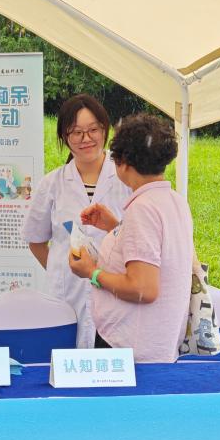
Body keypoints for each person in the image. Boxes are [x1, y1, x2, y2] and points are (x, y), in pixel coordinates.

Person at [68, 113, 193, 363]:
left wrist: (92, 272)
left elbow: (143, 288)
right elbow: (155, 251)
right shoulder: (174, 202)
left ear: (122, 161)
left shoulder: (143, 209)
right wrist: (115, 227)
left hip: (131, 352)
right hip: (156, 344)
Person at [22, 94, 130, 347]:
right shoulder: (52, 183)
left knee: (111, 362)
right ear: (64, 136)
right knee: (68, 360)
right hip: (67, 295)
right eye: (76, 132)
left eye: (93, 130)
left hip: (117, 293)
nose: (86, 139)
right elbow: (36, 241)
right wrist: (61, 271)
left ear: (105, 130)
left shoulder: (126, 177)